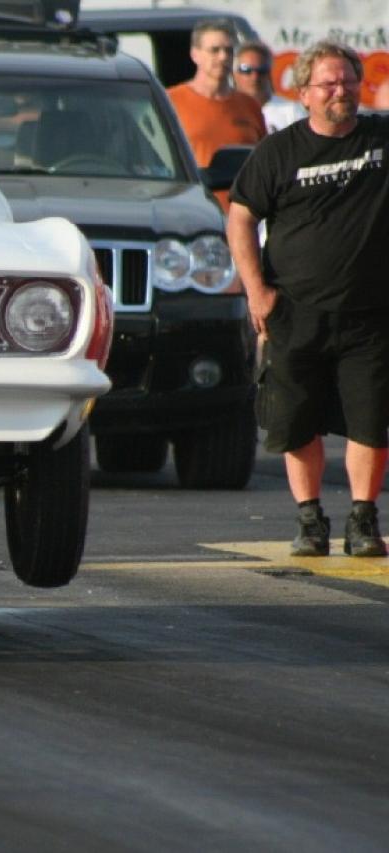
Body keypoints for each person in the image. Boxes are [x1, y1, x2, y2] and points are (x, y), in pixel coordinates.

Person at [225, 40, 389, 558]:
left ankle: (363, 519)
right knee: (295, 421)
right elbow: (240, 218)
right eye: (328, 83)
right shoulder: (278, 152)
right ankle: (310, 518)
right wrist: (257, 292)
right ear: (303, 93)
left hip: (370, 314)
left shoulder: (381, 140)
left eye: (347, 81)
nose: (340, 91)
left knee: (370, 421)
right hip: (294, 312)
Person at [166, 19, 266, 209]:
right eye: (214, 50)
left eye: (229, 50)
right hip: (193, 210)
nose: (223, 57)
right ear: (195, 54)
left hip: (244, 212)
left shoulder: (249, 105)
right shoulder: (172, 101)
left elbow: (264, 164)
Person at [232, 40, 307, 133]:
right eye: (247, 70)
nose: (255, 77)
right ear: (234, 74)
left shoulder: (292, 112)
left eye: (262, 71)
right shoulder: (226, 110)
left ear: (269, 74)